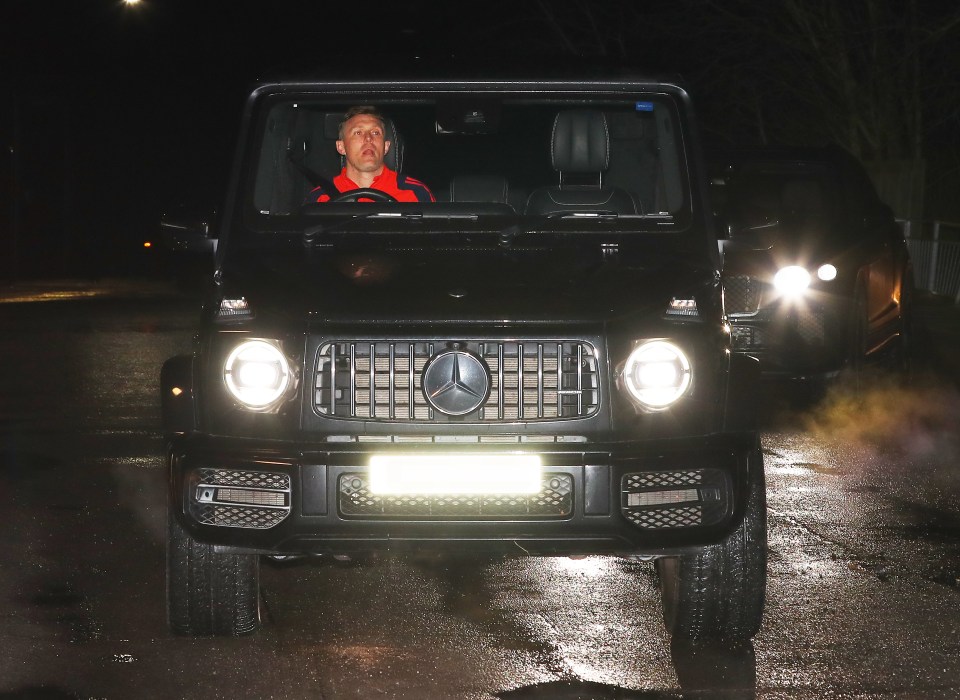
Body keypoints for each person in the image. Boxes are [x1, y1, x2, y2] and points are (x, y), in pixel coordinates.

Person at [306, 105, 435, 203]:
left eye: (375, 133)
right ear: (341, 147)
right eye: (358, 132)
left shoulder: (416, 193)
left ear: (386, 147)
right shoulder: (320, 198)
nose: (368, 138)